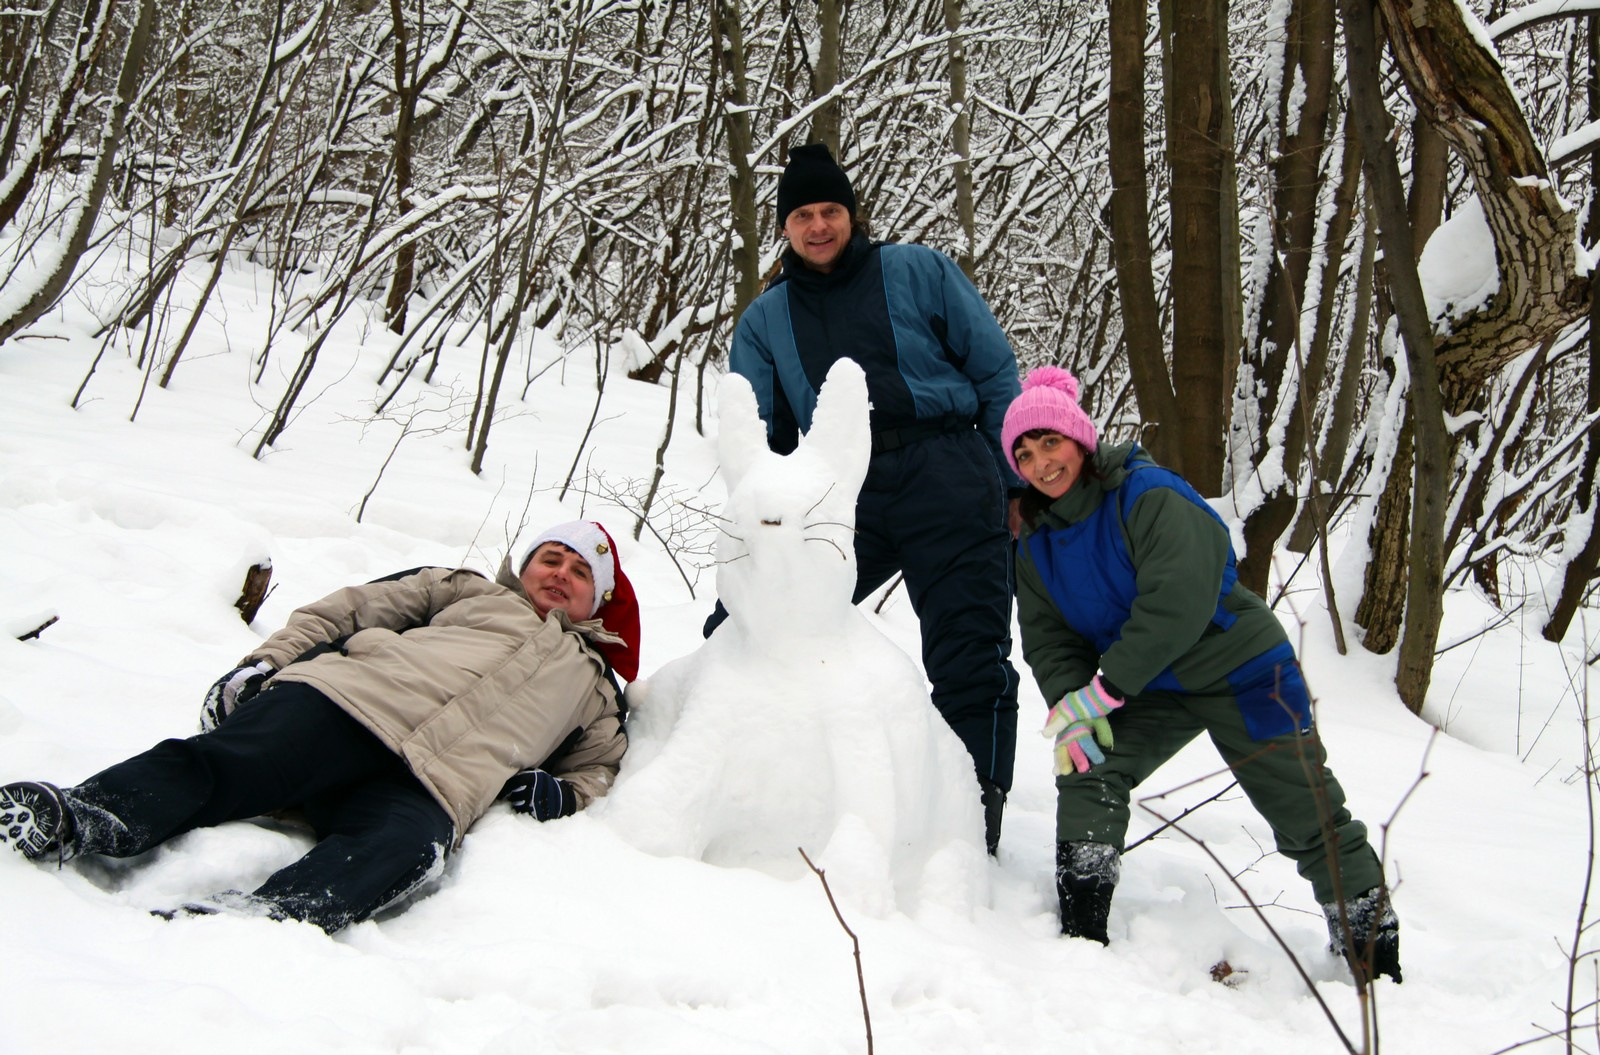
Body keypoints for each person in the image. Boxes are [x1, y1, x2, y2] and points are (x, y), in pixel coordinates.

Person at [0, 520, 641, 934]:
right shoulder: (461, 589)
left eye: (580, 571)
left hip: (437, 785)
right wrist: (265, 662)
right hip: (347, 706)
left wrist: (563, 793)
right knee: (225, 763)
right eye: (550, 559)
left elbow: (600, 766)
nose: (560, 573)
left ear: (598, 599)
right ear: (523, 566)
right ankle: (76, 816)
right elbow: (347, 610)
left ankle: (259, 923)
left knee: (406, 851)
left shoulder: (594, 686)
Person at [1004, 366, 1402, 984]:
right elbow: (1048, 636)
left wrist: (1104, 692)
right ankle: (1081, 948)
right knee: (1087, 765)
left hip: (1241, 670)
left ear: (1080, 440)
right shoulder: (1036, 543)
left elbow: (1178, 604)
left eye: (1049, 443)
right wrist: (1072, 706)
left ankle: (1376, 967)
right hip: (1149, 687)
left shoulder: (1148, 495)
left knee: (1305, 811)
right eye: (1024, 454)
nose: (1040, 464)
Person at [708, 142, 1023, 853]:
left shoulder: (918, 271)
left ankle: (974, 827)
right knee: (749, 622)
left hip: (947, 468)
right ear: (784, 228)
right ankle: (745, 779)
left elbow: (997, 371)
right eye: (802, 215)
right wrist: (768, 529)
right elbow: (764, 435)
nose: (819, 227)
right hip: (840, 490)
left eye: (831, 211)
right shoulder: (767, 321)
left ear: (851, 214)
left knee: (968, 653)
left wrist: (1013, 484)